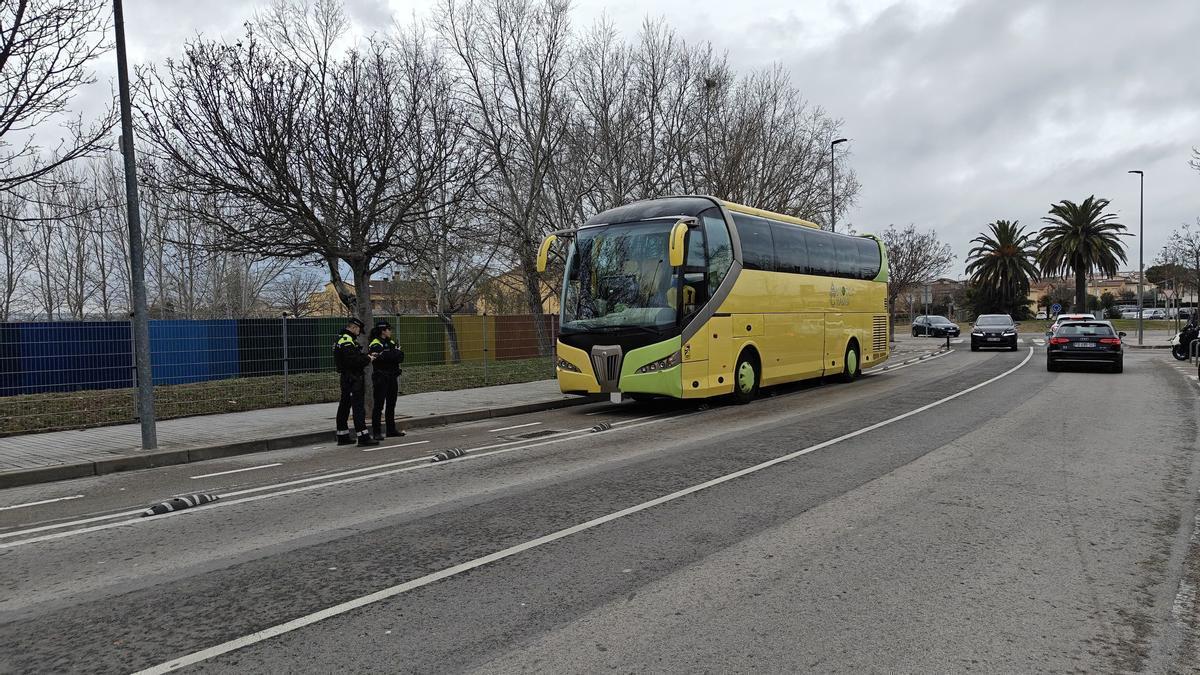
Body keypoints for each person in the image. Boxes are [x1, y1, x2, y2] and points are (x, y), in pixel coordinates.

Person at [333, 318, 378, 447]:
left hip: (347, 377)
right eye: (358, 330)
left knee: (344, 406)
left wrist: (364, 357)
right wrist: (368, 358)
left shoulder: (341, 339)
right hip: (353, 378)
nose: (359, 333)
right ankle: (363, 437)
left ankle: (343, 435)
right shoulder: (347, 341)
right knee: (358, 407)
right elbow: (353, 361)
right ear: (353, 327)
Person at [368, 320, 405, 440]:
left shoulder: (391, 342)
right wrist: (393, 354)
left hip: (392, 376)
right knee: (378, 406)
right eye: (389, 329)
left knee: (391, 404)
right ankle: (377, 432)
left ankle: (391, 430)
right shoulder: (375, 343)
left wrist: (393, 354)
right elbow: (381, 359)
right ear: (383, 331)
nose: (390, 331)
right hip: (381, 377)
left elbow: (400, 357)